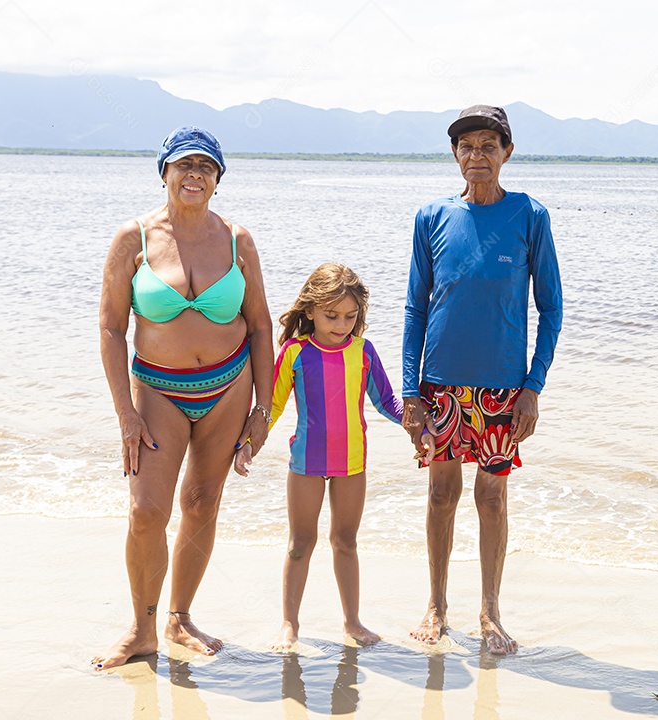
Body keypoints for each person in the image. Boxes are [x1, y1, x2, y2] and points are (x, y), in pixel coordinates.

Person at [93, 126, 274, 669]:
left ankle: (181, 617)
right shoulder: (135, 237)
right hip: (157, 390)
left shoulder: (239, 240)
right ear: (165, 172)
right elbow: (109, 328)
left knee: (201, 505)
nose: (194, 174)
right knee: (147, 510)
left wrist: (262, 411)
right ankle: (141, 630)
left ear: (218, 181)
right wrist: (125, 412)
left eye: (206, 167)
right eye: (184, 164)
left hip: (228, 387)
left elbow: (262, 326)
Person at [402, 105, 563, 654]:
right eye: (466, 146)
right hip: (442, 384)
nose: (477, 156)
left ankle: (490, 611)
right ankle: (436, 605)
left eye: (488, 145)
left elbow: (552, 309)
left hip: (502, 388)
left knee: (491, 499)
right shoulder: (431, 217)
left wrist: (533, 387)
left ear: (507, 153)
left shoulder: (529, 216)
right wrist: (411, 390)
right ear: (454, 154)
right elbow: (414, 309)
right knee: (441, 494)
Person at [239, 263, 421, 651]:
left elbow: (387, 401)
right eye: (332, 316)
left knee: (346, 542)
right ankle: (289, 624)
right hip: (305, 462)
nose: (342, 325)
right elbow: (270, 406)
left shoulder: (363, 351)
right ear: (310, 311)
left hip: (352, 463)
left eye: (351, 317)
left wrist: (418, 426)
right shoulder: (295, 353)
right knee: (300, 543)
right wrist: (249, 446)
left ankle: (353, 622)